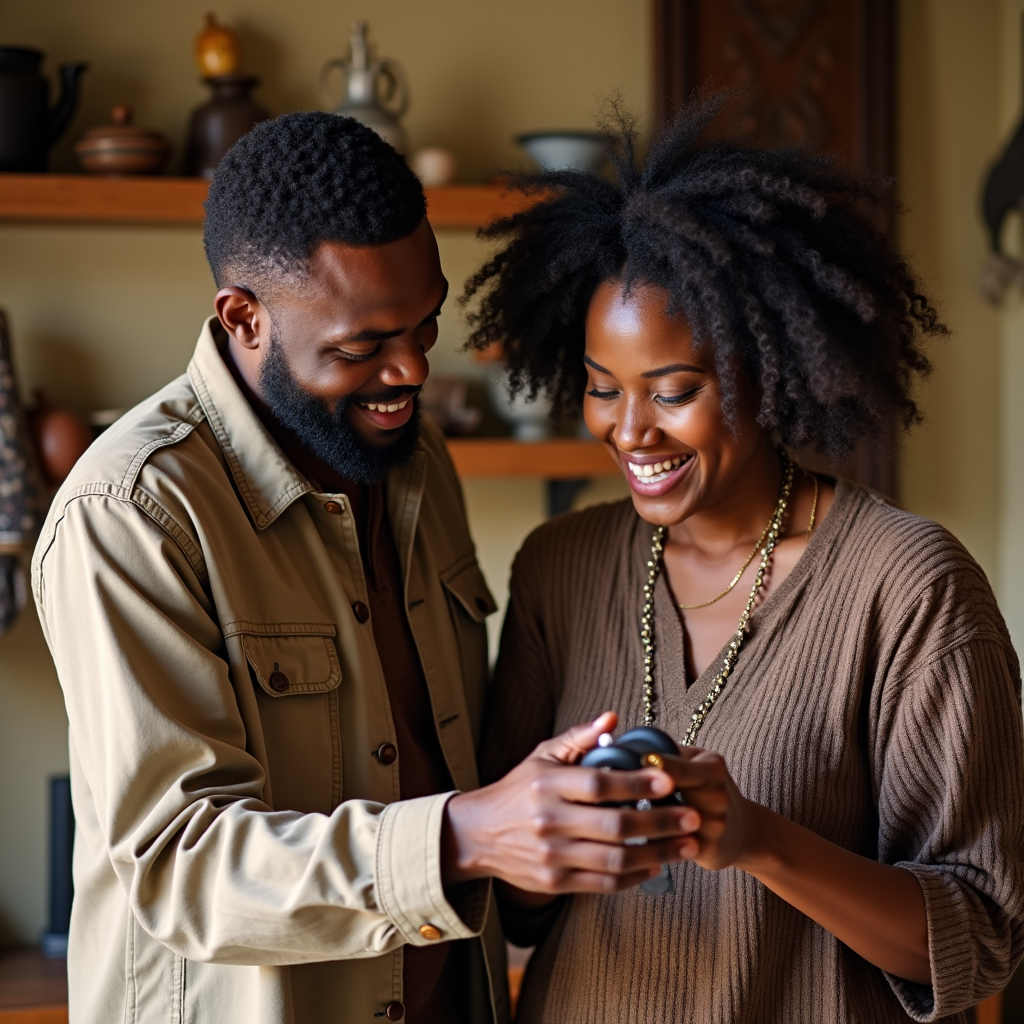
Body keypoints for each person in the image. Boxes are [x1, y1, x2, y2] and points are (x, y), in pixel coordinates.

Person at [32, 113, 700, 1024]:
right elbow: (178, 866)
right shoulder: (132, 512)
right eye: (362, 347)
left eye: (425, 325)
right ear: (245, 318)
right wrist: (469, 832)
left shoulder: (419, 463)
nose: (411, 370)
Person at [466, 101, 1024, 1023]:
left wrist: (759, 839)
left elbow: (978, 938)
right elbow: (514, 915)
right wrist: (547, 826)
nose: (630, 430)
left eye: (674, 391)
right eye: (603, 389)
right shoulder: (558, 567)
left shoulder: (909, 587)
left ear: (771, 368)